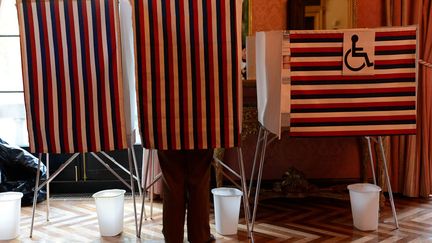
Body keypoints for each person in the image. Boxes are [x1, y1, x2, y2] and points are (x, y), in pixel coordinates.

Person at [157, 149, 215, 243]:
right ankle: (200, 236)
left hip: (168, 136)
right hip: (200, 136)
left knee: (172, 183)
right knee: (199, 181)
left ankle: (172, 236)